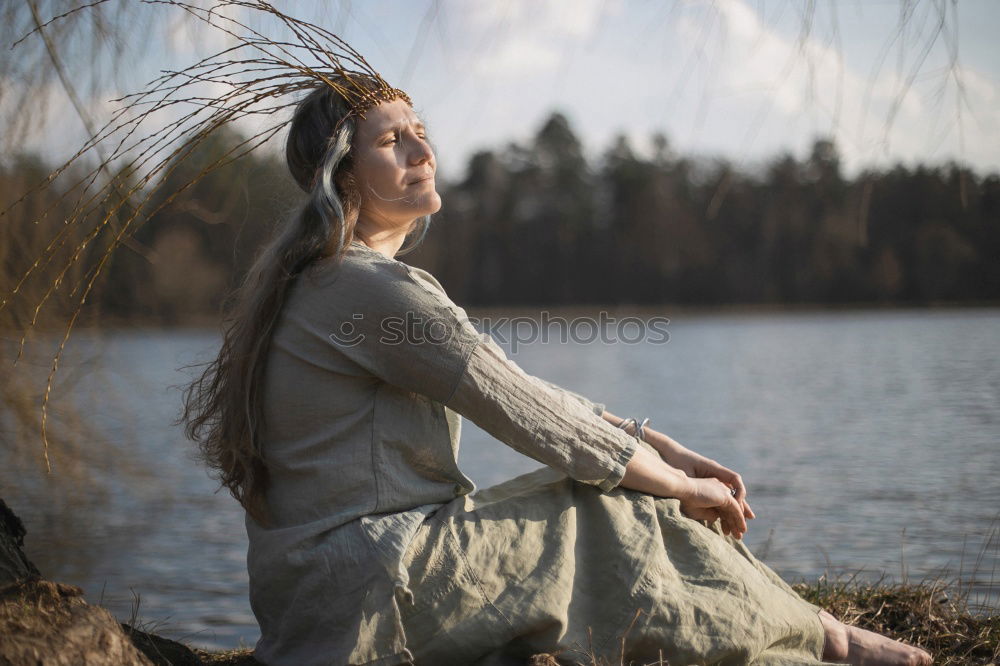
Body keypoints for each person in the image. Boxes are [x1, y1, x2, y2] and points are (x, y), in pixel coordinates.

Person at [182, 74, 933, 666]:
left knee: (622, 489)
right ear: (343, 176)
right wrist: (677, 484)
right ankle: (825, 642)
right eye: (392, 142)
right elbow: (528, 416)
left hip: (316, 600)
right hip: (374, 598)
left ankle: (807, 626)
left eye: (421, 133)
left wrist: (663, 447)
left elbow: (521, 389)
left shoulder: (321, 279)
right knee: (610, 505)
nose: (422, 153)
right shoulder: (367, 289)